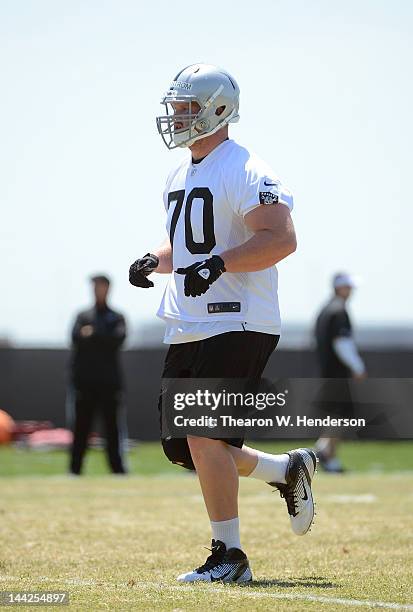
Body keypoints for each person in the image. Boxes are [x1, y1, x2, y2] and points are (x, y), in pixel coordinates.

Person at [129, 63, 317, 583]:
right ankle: (285, 471)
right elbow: (190, 242)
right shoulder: (180, 173)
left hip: (238, 318)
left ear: (217, 110)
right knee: (184, 445)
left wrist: (220, 264)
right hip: (188, 321)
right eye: (177, 107)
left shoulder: (247, 167)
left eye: (186, 107)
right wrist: (154, 258)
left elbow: (279, 238)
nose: (177, 116)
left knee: (205, 437)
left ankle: (229, 556)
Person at [68, 274, 127, 475]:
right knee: (81, 427)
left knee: (112, 429)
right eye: (94, 287)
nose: (97, 290)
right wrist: (100, 335)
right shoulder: (82, 316)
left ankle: (117, 469)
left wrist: (93, 333)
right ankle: (75, 469)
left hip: (109, 383)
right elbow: (76, 338)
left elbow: (117, 340)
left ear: (108, 288)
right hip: (84, 382)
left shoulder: (116, 317)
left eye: (100, 286)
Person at [314, 272, 367, 472]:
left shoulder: (326, 310)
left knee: (335, 415)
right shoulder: (338, 311)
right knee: (341, 415)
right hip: (337, 374)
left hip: (328, 373)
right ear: (339, 288)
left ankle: (322, 450)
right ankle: (327, 455)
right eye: (348, 287)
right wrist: (358, 366)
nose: (351, 291)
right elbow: (342, 343)